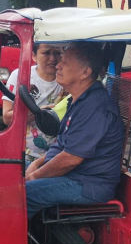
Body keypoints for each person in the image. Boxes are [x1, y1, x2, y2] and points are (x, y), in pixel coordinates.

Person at [24, 43, 125, 220]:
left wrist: (35, 177)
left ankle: (14, 237)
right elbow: (62, 145)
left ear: (85, 72)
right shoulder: (78, 100)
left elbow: (70, 159)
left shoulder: (95, 106)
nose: (57, 65)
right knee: (12, 168)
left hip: (87, 184)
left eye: (65, 62)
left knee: (22, 194)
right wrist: (36, 164)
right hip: (73, 175)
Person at [2, 43, 67, 165]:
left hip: (56, 156)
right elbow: (7, 118)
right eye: (46, 53)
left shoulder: (68, 79)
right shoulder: (21, 76)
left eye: (58, 53)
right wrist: (40, 113)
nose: (53, 58)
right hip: (24, 154)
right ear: (34, 56)